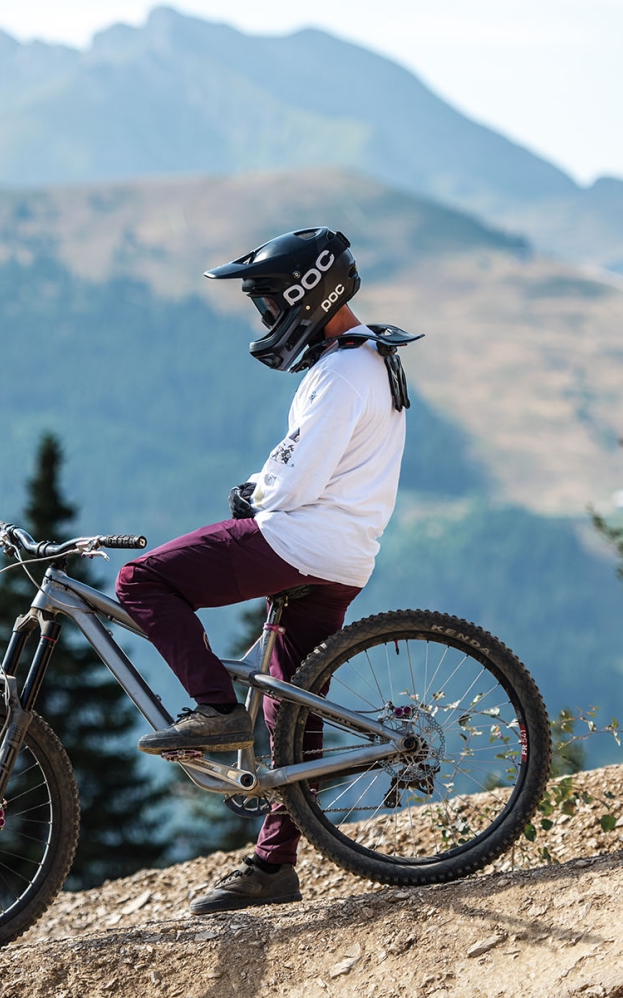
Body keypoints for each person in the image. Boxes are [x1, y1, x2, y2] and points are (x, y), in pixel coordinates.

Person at [114, 226, 419, 914]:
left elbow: (293, 481)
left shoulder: (340, 374)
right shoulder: (372, 358)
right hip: (346, 557)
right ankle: (274, 866)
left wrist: (255, 490)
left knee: (142, 581)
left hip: (300, 542)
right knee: (292, 712)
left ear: (307, 293)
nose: (266, 317)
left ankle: (217, 711)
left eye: (268, 302)